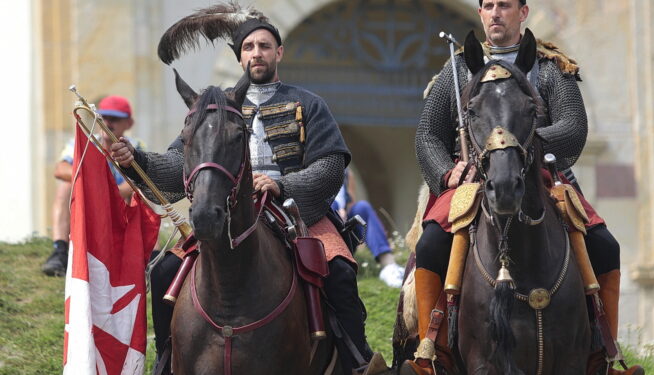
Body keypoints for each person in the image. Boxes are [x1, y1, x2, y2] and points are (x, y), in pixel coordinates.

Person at [110, 8, 373, 373]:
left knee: (340, 270)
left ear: (279, 52)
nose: (256, 52)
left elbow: (329, 166)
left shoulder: (308, 103)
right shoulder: (213, 108)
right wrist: (132, 158)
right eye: (248, 46)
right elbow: (180, 163)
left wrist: (282, 184)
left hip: (296, 210)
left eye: (265, 45)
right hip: (226, 210)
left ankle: (356, 360)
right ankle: (166, 360)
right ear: (239, 57)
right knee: (164, 269)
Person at [404, 1, 644, 375]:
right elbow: (429, 136)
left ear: (523, 12)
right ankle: (431, 351)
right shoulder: (457, 69)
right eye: (488, 6)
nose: (495, 13)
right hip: (471, 179)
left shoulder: (550, 68)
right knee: (432, 243)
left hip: (543, 177)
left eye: (504, 5)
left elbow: (572, 128)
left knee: (604, 245)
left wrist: (519, 148)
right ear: (481, 14)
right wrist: (447, 172)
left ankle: (605, 355)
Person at [42, 95, 145, 276]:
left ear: (129, 123)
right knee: (65, 188)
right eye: (104, 117)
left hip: (120, 205)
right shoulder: (83, 142)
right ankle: (59, 250)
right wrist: (95, 181)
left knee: (143, 196)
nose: (108, 123)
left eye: (115, 119)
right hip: (90, 203)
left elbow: (142, 181)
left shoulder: (136, 146)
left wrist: (110, 191)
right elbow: (60, 169)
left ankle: (151, 254)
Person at [332, 168, 405, 288]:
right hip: (325, 236)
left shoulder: (346, 172)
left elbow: (350, 204)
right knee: (332, 206)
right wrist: (333, 211)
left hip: (344, 232)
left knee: (362, 207)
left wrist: (343, 213)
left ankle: (389, 266)